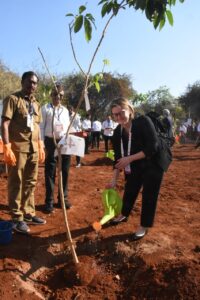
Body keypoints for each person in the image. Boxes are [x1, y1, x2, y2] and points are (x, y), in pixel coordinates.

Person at [106, 97, 171, 241]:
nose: (118, 117)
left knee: (149, 194)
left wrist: (128, 159)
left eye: (121, 112)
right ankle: (124, 214)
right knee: (131, 188)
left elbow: (152, 148)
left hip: (155, 160)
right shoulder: (117, 132)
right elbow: (118, 158)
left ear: (130, 110)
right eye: (115, 115)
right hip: (137, 162)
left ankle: (144, 226)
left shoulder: (143, 122)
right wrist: (113, 181)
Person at [1, 71, 46, 234]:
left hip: (33, 149)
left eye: (35, 83)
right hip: (18, 148)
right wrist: (6, 146)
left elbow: (37, 126)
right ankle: (16, 217)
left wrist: (40, 144)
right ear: (22, 82)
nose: (32, 85)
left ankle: (28, 213)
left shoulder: (36, 104)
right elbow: (4, 124)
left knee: (30, 182)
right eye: (29, 82)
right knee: (16, 182)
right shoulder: (12, 100)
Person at [40, 83, 72, 213]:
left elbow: (68, 126)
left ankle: (63, 199)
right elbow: (41, 127)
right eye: (55, 94)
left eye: (61, 95)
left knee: (65, 171)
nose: (58, 97)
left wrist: (69, 139)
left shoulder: (64, 110)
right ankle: (49, 201)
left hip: (64, 142)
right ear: (51, 95)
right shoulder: (45, 108)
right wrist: (42, 144)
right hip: (50, 142)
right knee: (50, 172)